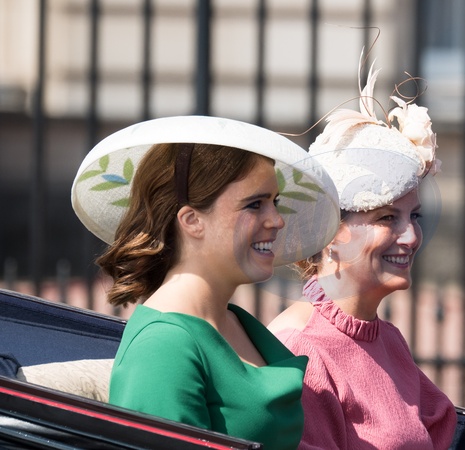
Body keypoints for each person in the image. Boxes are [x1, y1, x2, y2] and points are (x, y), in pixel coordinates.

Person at [70, 115, 340, 449]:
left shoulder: (232, 320)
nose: (276, 220)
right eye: (255, 204)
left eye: (275, 202)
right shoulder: (164, 346)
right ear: (192, 221)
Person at [268, 62, 457, 449]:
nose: (411, 236)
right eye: (387, 217)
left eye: (414, 216)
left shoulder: (387, 338)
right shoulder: (300, 348)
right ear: (329, 230)